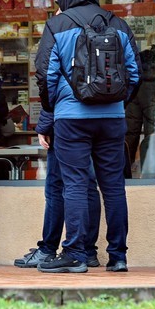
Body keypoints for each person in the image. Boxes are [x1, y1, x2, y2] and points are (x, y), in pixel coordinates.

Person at [34, 0, 140, 274]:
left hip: (71, 119)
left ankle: (77, 253)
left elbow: (45, 74)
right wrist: (117, 102)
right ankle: (118, 256)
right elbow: (134, 74)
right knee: (114, 187)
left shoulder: (57, 25)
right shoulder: (118, 24)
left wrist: (52, 107)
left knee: (76, 185)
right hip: (113, 118)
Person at [13, 108, 103, 268]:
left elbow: (51, 95)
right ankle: (88, 251)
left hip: (65, 121)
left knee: (55, 188)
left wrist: (44, 126)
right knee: (88, 186)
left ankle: (48, 249)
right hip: (99, 121)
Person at [124, 34, 155, 178]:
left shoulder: (141, 59)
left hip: (136, 94)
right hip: (154, 95)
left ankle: (124, 172)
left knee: (130, 134)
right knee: (153, 135)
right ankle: (150, 173)